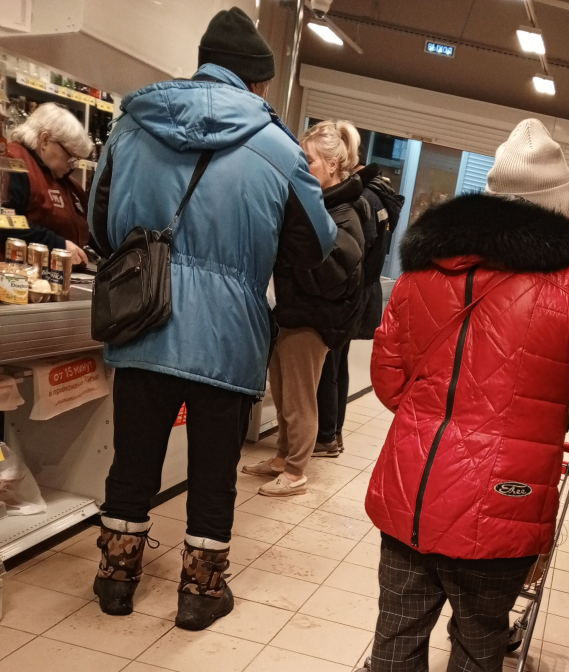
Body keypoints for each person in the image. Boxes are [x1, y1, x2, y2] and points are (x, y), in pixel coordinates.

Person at [363, 118, 569, 672]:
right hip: (504, 496)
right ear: (559, 209)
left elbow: (389, 382)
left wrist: (441, 416)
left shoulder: (424, 270)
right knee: (481, 630)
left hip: (413, 485)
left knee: (398, 626)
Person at [88, 6, 336, 630]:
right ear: (258, 81)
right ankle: (199, 595)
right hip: (228, 335)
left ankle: (116, 580)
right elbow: (316, 244)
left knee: (132, 458)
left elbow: (98, 224)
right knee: (213, 469)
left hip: (143, 321)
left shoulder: (132, 124)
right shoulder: (277, 147)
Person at [243, 119, 367, 494]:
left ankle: (296, 470)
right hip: (290, 313)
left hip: (311, 320)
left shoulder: (343, 212)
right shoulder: (317, 206)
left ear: (332, 164)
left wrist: (292, 251)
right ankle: (282, 456)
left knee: (299, 400)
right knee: (283, 394)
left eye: (308, 161)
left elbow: (332, 275)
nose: (302, 168)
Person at [314, 162, 405, 455]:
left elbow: (355, 252)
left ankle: (326, 435)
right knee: (338, 364)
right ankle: (334, 432)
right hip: (364, 292)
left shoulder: (364, 198)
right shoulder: (382, 197)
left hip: (351, 294)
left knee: (330, 365)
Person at [6, 103, 93, 264]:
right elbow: (6, 223)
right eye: (71, 157)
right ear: (45, 140)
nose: (72, 165)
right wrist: (58, 245)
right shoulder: (12, 164)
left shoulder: (64, 181)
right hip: (15, 273)